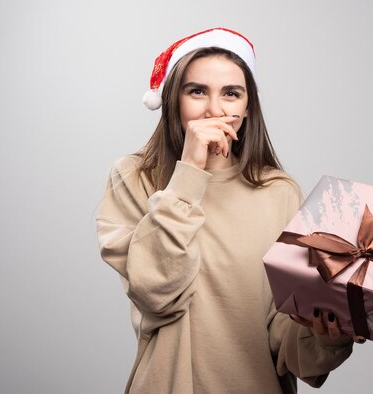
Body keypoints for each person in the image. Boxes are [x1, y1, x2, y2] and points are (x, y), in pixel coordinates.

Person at [96, 27, 355, 394]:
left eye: (231, 94)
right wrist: (188, 175)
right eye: (197, 91)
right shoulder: (135, 177)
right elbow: (156, 293)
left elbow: (284, 336)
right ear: (173, 99)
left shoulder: (278, 192)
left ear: (248, 107)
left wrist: (328, 335)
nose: (215, 109)